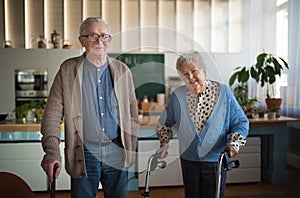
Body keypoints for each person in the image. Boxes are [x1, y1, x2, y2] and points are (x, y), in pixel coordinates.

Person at [40, 17, 139, 198]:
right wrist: (52, 151)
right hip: (83, 153)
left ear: (109, 39)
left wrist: (131, 147)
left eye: (104, 36)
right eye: (93, 36)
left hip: (117, 150)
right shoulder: (67, 70)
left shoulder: (123, 70)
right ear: (82, 40)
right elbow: (52, 115)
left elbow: (132, 114)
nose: (99, 41)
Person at [155, 51, 249, 198]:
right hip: (189, 159)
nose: (190, 77)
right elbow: (165, 123)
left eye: (194, 71)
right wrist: (164, 143)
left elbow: (240, 122)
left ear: (204, 71)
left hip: (215, 159)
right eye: (185, 74)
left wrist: (234, 144)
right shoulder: (178, 95)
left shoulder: (223, 92)